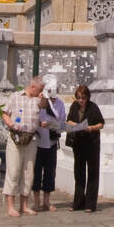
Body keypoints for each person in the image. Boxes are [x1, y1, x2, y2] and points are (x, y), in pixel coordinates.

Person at [1, 77, 45, 218]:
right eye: (40, 89)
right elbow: (5, 114)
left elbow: (45, 106)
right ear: (33, 87)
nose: (41, 92)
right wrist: (13, 125)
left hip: (31, 138)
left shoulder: (39, 100)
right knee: (13, 171)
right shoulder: (15, 97)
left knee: (28, 173)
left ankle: (24, 205)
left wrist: (43, 98)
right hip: (16, 137)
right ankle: (10, 206)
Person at [66, 84, 105, 212]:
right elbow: (69, 120)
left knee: (93, 172)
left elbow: (101, 124)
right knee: (79, 172)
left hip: (92, 142)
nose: (80, 100)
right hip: (79, 143)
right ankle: (78, 202)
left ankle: (90, 203)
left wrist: (91, 128)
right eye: (78, 98)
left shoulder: (93, 108)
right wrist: (76, 125)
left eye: (82, 98)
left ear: (87, 97)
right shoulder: (74, 107)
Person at [32, 81, 66, 212]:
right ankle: (36, 201)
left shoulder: (60, 104)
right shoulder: (38, 103)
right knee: (36, 172)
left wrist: (51, 125)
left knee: (50, 172)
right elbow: (31, 119)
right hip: (38, 142)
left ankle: (47, 201)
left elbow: (63, 124)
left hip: (51, 142)